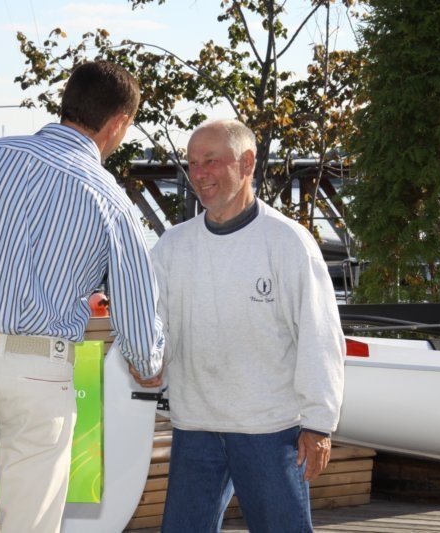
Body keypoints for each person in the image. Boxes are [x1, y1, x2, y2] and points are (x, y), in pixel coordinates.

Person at [0, 61, 164, 532]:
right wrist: (147, 362)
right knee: (32, 521)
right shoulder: (113, 201)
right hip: (42, 371)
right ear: (119, 123)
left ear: (67, 102)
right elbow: (137, 319)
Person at [145, 119, 345, 532]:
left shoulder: (288, 241)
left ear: (247, 162)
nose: (199, 174)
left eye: (211, 161)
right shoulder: (171, 246)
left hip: (269, 428)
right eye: (193, 163)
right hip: (195, 425)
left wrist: (318, 423)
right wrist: (145, 359)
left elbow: (320, 335)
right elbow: (155, 326)